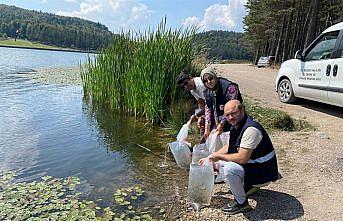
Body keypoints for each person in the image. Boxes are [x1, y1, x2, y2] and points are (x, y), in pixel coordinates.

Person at [200, 100, 280, 215]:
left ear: (242, 110)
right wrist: (211, 157)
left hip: (264, 173)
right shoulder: (238, 124)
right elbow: (229, 146)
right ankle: (248, 186)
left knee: (229, 168)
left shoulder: (250, 130)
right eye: (227, 115)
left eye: (234, 113)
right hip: (257, 166)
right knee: (220, 162)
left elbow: (243, 159)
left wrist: (217, 156)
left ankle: (241, 203)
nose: (230, 117)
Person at [200, 67, 242, 139]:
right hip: (219, 119)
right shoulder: (207, 92)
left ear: (215, 76)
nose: (209, 81)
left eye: (210, 78)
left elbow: (232, 109)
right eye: (205, 80)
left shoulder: (230, 87)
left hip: (235, 118)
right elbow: (208, 109)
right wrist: (207, 127)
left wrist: (221, 124)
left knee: (233, 140)